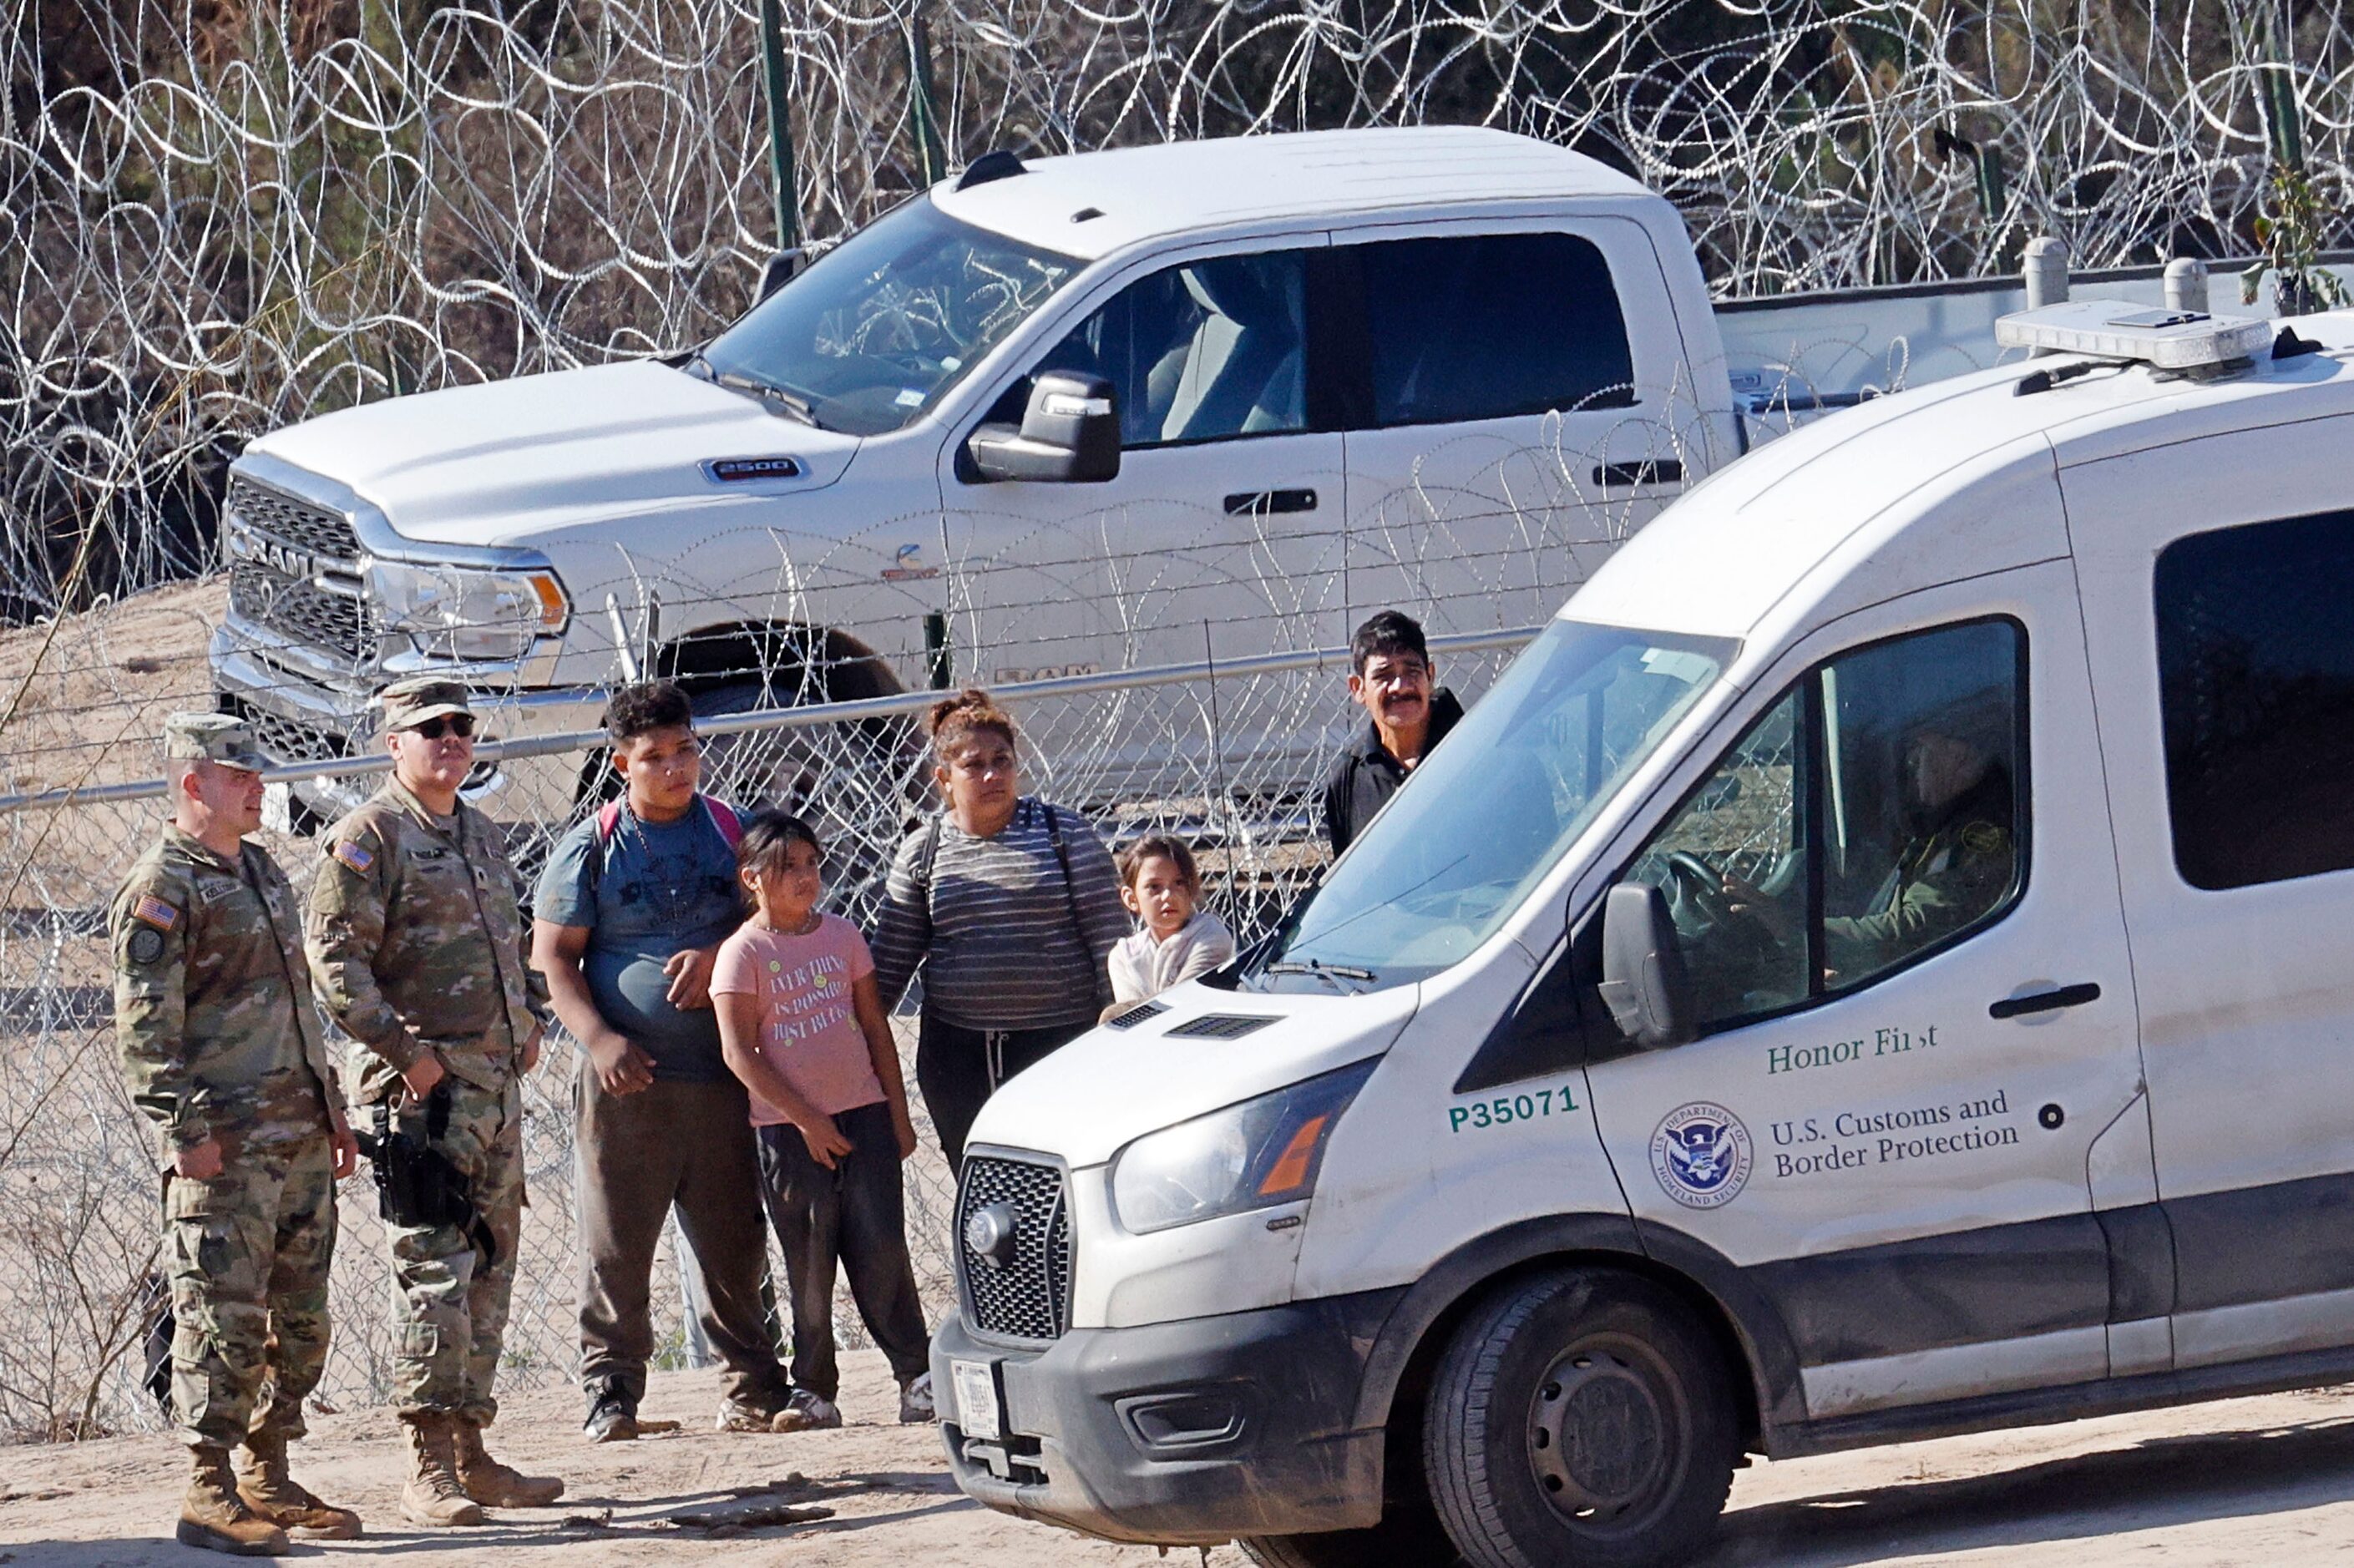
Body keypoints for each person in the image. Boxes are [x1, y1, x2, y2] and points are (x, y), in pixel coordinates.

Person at [305, 676, 564, 1527]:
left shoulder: (479, 834)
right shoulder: (368, 838)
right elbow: (335, 965)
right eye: (431, 729)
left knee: (490, 1267)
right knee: (432, 1273)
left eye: (460, 727)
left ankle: (473, 1452)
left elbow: (509, 940)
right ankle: (426, 1465)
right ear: (393, 743)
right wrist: (406, 1056)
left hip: (493, 1088)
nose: (450, 740)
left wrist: (527, 1014)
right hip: (422, 1098)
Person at [112, 713, 361, 1555]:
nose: (259, 786)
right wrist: (184, 1130)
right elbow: (146, 1028)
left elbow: (298, 1006)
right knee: (221, 1316)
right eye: (240, 774)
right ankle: (207, 1487)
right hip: (225, 1147)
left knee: (300, 1321)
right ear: (193, 785)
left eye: (260, 773)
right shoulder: (164, 885)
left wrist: (331, 1112)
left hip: (295, 1137)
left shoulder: (258, 869)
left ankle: (267, 1469)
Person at [530, 679, 794, 1442]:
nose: (675, 768)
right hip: (629, 1084)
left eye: (686, 751)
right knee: (618, 1242)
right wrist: (601, 1040)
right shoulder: (593, 845)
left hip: (722, 1074)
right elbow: (553, 958)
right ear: (622, 765)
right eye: (654, 757)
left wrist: (716, 955)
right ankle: (611, 1393)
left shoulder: (729, 832)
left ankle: (753, 1385)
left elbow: (775, 921)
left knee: (734, 1239)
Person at [713, 810, 935, 1430]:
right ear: (753, 878)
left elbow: (874, 1029)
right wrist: (807, 1120)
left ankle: (916, 1378)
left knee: (882, 1248)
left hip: (862, 1115)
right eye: (788, 869)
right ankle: (814, 1390)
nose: (805, 878)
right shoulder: (743, 953)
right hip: (788, 1133)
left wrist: (896, 1113)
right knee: (809, 1258)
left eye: (812, 864)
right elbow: (739, 1053)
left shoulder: (842, 937)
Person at [869, 690, 1128, 1168]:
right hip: (960, 1059)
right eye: (974, 765)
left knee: (1065, 1185)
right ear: (943, 778)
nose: (992, 775)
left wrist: (1119, 1031)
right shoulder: (923, 853)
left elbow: (1111, 947)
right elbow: (887, 970)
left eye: (1002, 760)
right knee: (984, 1188)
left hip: (1063, 1047)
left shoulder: (1064, 835)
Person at [1320, 609, 1466, 855]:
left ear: (1430, 676)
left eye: (1412, 672)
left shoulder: (1478, 750)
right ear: (1358, 688)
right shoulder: (1349, 781)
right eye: (1384, 676)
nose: (1400, 686)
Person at [1105, 834, 1234, 1012]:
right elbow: (1131, 1021)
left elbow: (1184, 1003)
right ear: (1131, 898)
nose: (1168, 896)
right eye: (1154, 887)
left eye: (1179, 883)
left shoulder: (1210, 935)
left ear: (1192, 889)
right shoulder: (1124, 957)